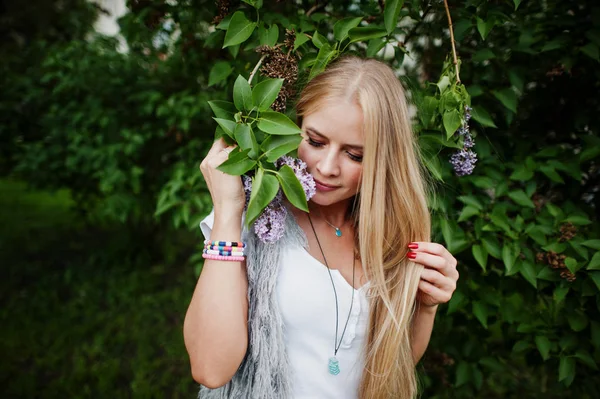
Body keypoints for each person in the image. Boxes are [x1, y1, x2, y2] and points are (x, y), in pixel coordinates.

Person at [184, 56, 459, 399]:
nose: (327, 168)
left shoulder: (390, 235)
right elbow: (210, 369)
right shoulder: (253, 218)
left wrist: (427, 306)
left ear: (384, 158)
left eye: (355, 155)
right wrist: (227, 213)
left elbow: (391, 367)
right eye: (315, 141)